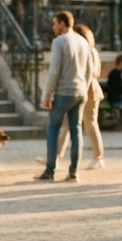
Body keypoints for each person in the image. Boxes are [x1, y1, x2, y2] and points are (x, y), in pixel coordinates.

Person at [36, 10, 96, 182]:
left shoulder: (59, 41)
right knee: (76, 130)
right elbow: (90, 69)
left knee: (53, 129)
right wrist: (84, 85)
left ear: (62, 23)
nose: (53, 27)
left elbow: (54, 70)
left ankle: (50, 169)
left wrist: (48, 93)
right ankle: (73, 171)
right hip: (80, 91)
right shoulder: (83, 41)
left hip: (63, 91)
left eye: (55, 24)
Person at [54, 23, 106, 169]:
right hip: (77, 88)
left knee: (90, 123)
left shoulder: (90, 51)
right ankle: (56, 156)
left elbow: (94, 72)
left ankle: (98, 156)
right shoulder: (82, 50)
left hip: (89, 90)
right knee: (66, 124)